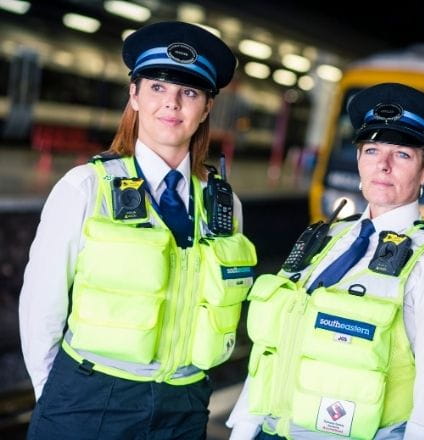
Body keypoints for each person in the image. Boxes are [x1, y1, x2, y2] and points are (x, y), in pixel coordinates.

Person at [19, 21, 257, 439]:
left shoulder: (225, 205)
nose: (173, 104)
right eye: (158, 88)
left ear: (205, 109)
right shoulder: (85, 187)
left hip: (183, 407)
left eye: (189, 92)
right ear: (134, 96)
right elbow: (41, 305)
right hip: (89, 401)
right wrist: (56, 395)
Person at [227, 82, 424, 439]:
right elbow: (276, 345)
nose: (384, 166)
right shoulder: (325, 238)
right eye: (372, 150)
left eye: (402, 155)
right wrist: (244, 429)